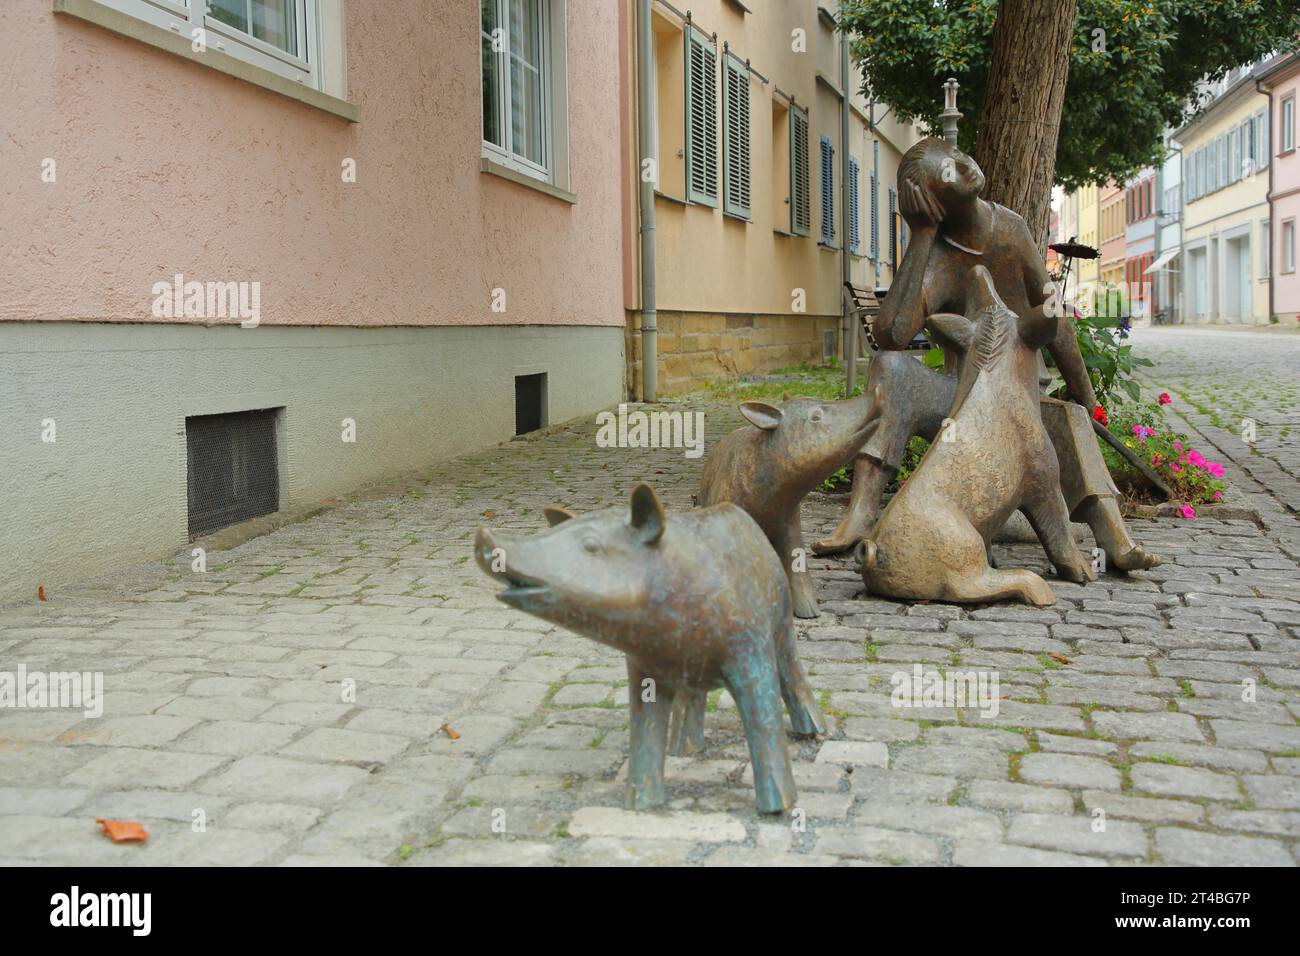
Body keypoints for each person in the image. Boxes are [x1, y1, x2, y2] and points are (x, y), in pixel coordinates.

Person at [811, 137, 1161, 573]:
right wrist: (920, 237)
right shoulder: (936, 257)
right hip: (962, 401)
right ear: (930, 202)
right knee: (890, 369)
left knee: (1070, 420)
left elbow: (1054, 315)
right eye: (947, 173)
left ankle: (1115, 538)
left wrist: (1086, 396)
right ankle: (860, 513)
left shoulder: (1010, 229)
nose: (963, 166)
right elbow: (893, 337)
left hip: (1022, 400)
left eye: (958, 158)